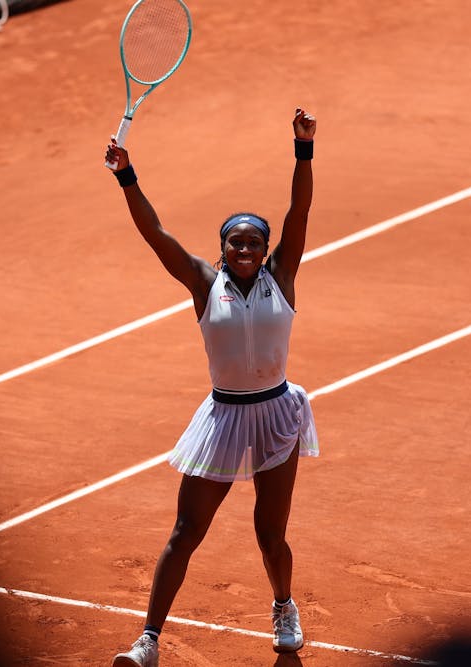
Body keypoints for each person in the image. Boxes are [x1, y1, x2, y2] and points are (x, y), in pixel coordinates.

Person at [105, 108, 319, 667]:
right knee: (186, 530)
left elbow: (300, 211)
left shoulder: (284, 276)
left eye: (253, 243)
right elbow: (156, 234)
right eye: (234, 244)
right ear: (221, 249)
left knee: (269, 532)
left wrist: (303, 148)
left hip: (277, 413)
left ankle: (283, 607)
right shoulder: (203, 283)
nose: (244, 251)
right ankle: (148, 641)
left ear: (267, 250)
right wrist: (128, 176)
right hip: (223, 418)